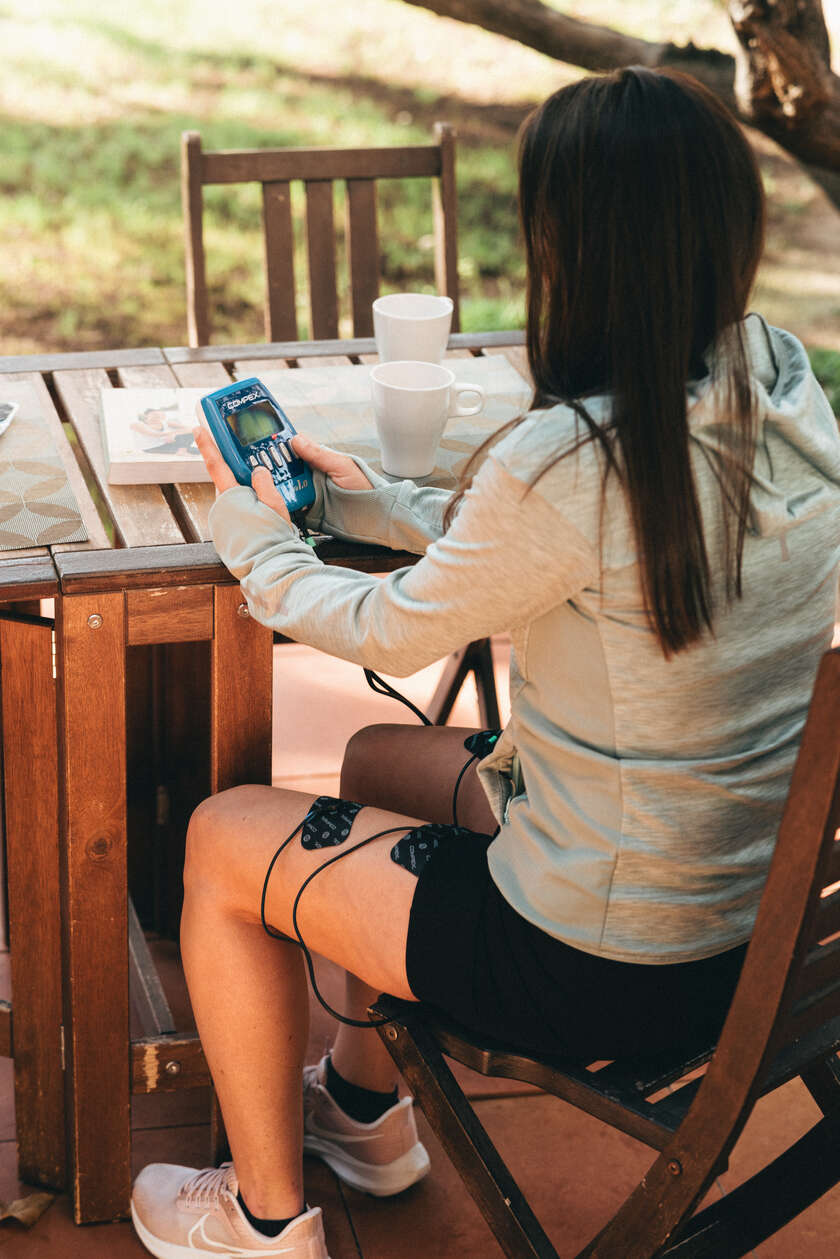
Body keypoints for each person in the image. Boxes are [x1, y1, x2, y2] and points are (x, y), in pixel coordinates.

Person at [130, 66, 840, 1259]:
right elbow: (553, 544)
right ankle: (364, 1116)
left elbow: (388, 629)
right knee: (380, 757)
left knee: (220, 837)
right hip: (740, 933)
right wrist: (363, 500)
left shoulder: (574, 456)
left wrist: (257, 534)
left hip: (592, 962)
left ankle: (262, 1218)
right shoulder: (777, 387)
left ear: (573, 247)